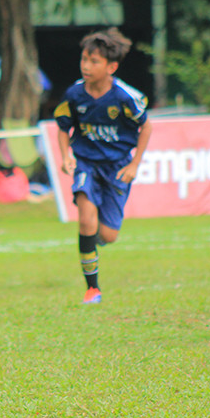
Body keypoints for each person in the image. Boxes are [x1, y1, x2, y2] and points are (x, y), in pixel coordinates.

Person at [55, 27, 152, 305]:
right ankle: (92, 289)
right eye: (84, 59)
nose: (86, 66)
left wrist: (135, 163)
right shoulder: (74, 94)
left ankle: (92, 243)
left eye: (94, 61)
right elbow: (63, 128)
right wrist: (65, 155)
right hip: (86, 163)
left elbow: (146, 127)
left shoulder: (125, 97)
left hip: (117, 167)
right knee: (86, 219)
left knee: (107, 235)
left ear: (112, 67)